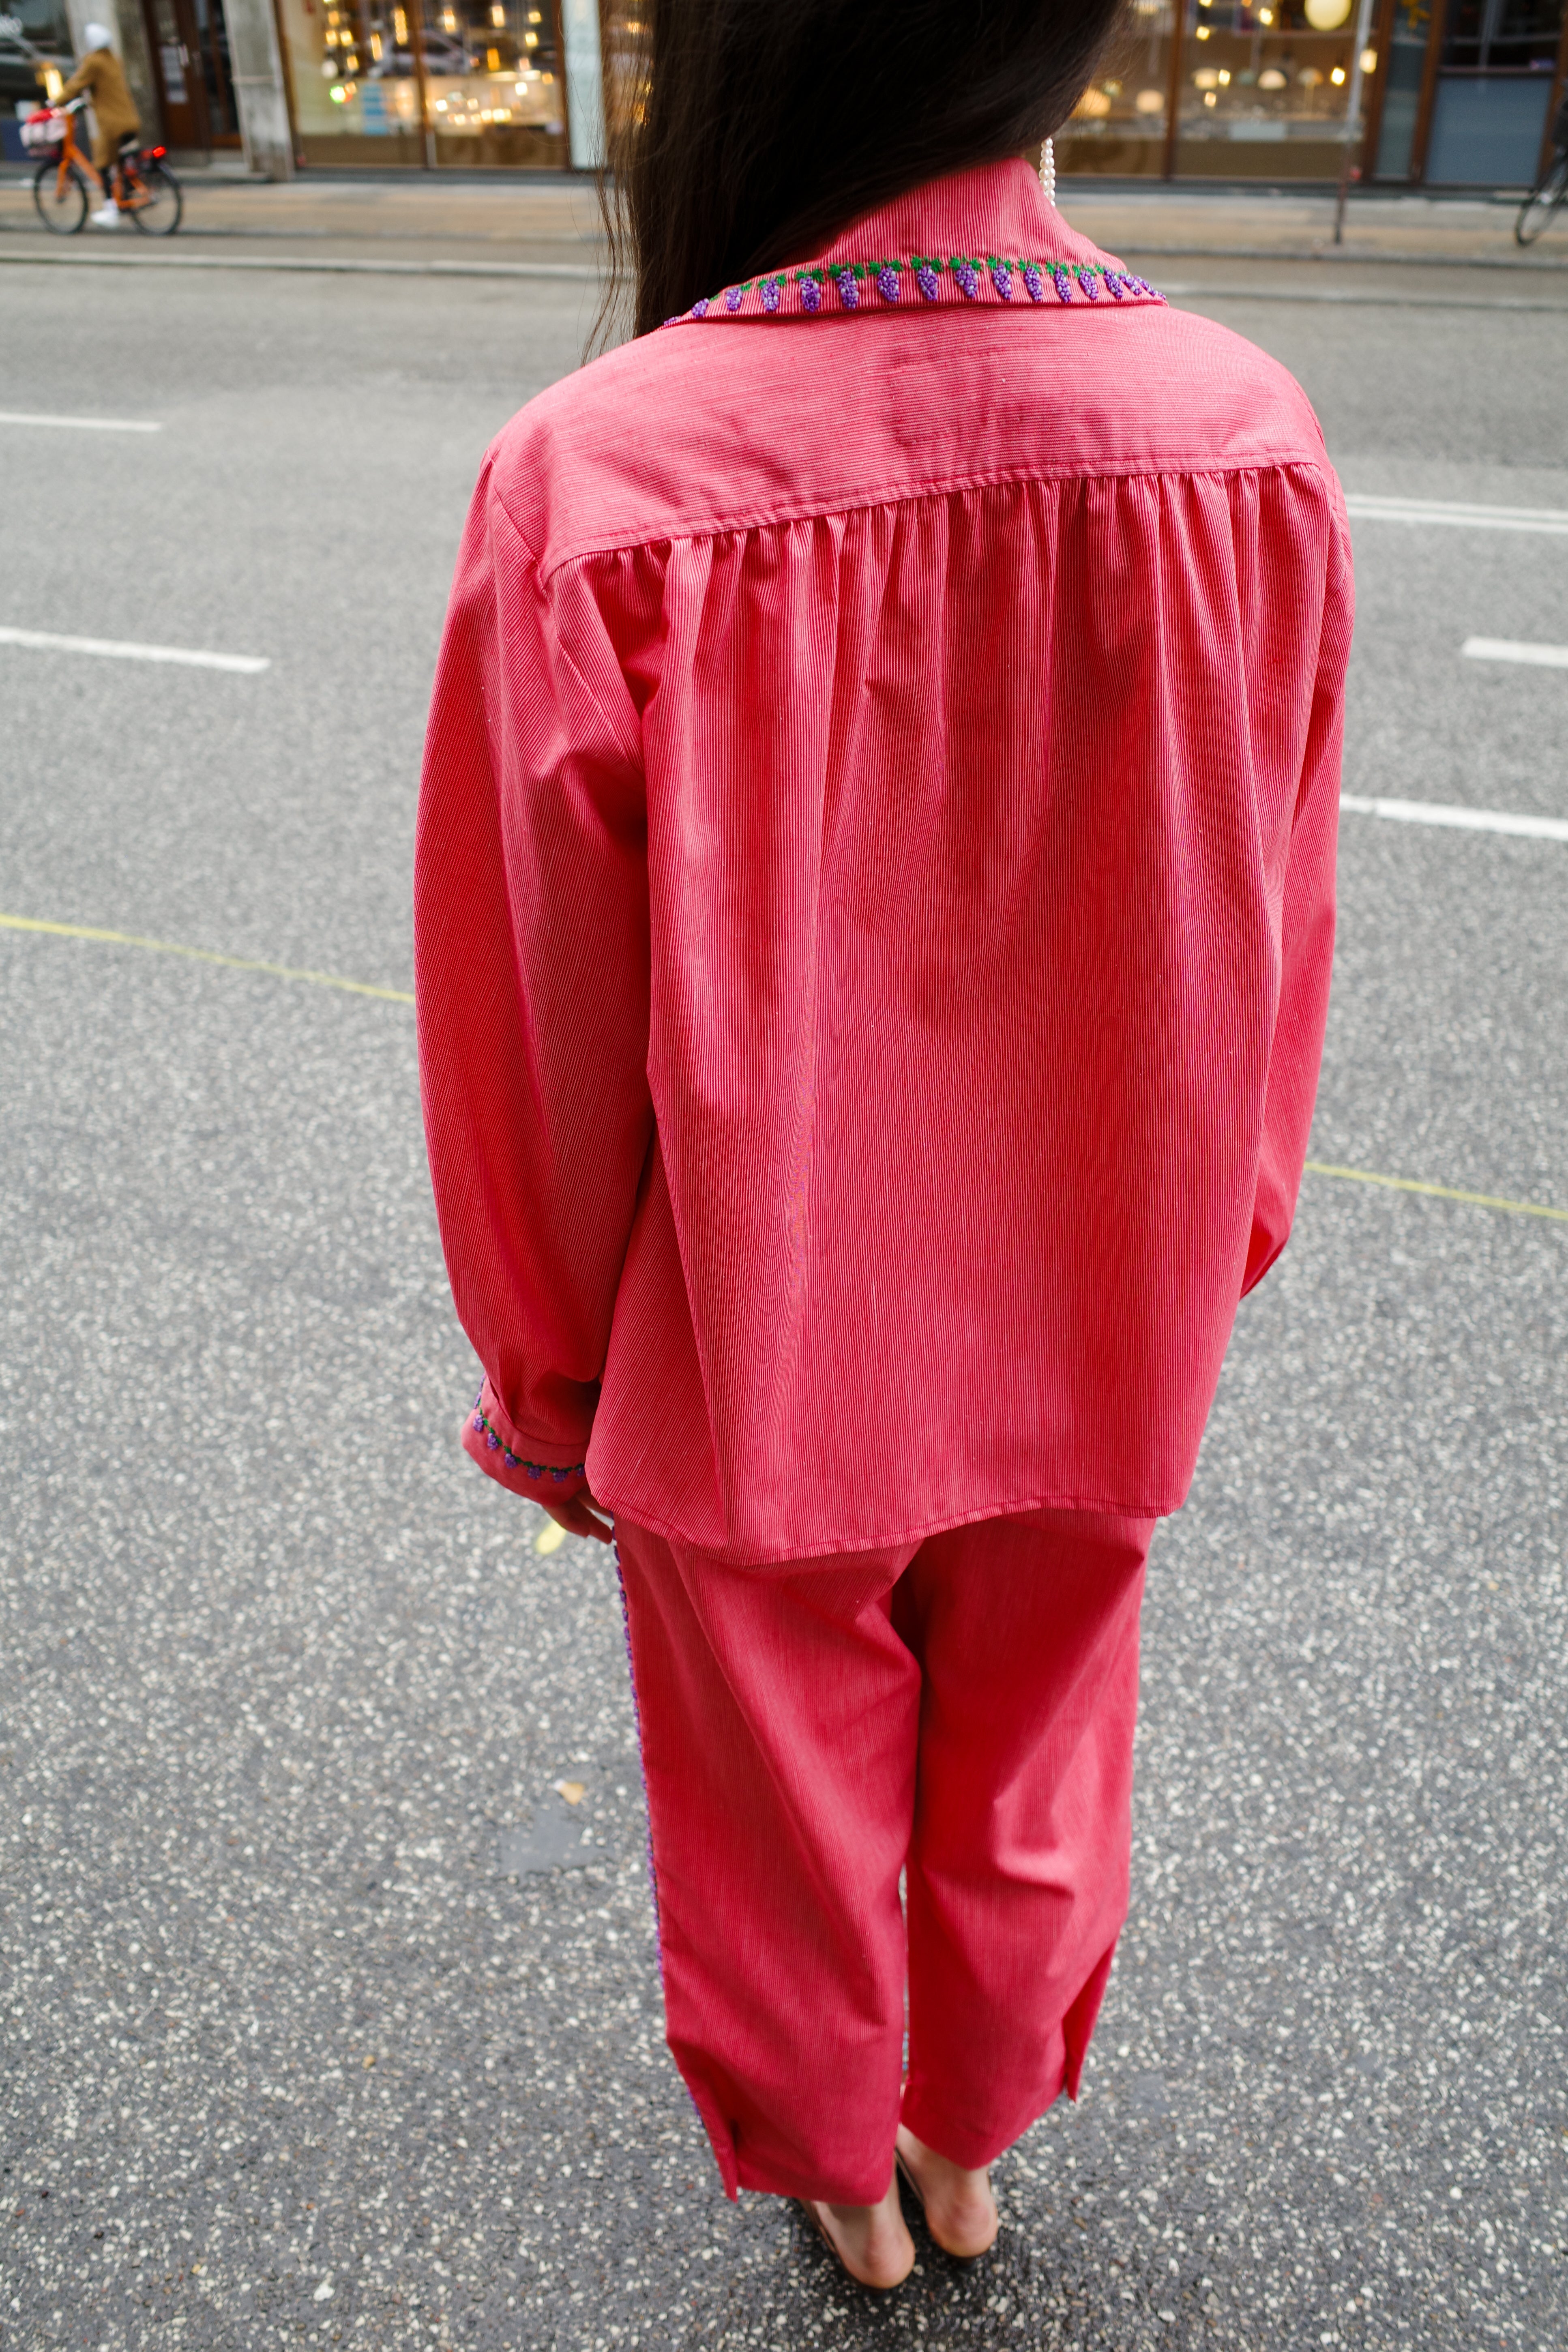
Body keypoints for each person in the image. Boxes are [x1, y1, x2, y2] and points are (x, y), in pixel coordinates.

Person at [415, 0, 1352, 2296]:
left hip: (754, 1323)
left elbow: (527, 1020)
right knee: (1034, 1740)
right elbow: (1277, 917)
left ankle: (849, 2169)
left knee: (779, 1778)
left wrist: (553, 1389)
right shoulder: (1241, 439)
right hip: (1097, 1290)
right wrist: (1205, 1235)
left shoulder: (597, 481)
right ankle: (969, 2128)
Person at [56, 22, 138, 229]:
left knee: (101, 163)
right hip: (130, 119)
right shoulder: (114, 59)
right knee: (117, 159)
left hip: (113, 124)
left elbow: (77, 84)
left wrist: (55, 101)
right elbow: (106, 88)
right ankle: (126, 192)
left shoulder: (94, 62)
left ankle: (111, 210)